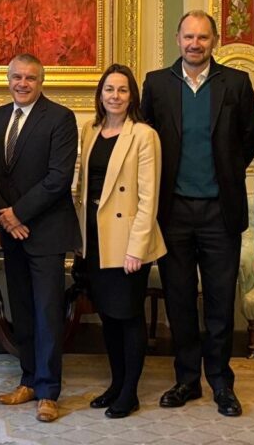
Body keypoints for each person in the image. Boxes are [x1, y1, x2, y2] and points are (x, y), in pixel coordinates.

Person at [140, 10, 254, 417]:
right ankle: (187, 380)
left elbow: (249, 138)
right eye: (188, 36)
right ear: (177, 39)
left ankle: (222, 383)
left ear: (214, 41)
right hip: (172, 211)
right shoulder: (157, 84)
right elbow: (145, 141)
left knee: (220, 301)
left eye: (203, 37)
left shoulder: (235, 83)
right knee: (179, 300)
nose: (195, 44)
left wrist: (223, 173)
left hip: (218, 212)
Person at [0, 54, 79, 423]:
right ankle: (27, 380)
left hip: (47, 231)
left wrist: (18, 213)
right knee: (21, 310)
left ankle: (49, 391)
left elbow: (59, 177)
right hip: (12, 232)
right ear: (8, 80)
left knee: (46, 313)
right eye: (17, 77)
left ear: (42, 81)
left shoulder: (60, 118)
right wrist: (4, 216)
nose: (22, 84)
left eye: (30, 78)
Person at [75, 64, 166, 419]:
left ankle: (130, 392)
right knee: (109, 317)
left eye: (122, 90)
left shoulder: (144, 135)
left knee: (128, 315)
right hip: (96, 238)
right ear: (100, 95)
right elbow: (83, 189)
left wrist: (137, 249)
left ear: (132, 96)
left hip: (127, 240)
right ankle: (115, 383)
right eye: (109, 89)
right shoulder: (90, 129)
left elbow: (148, 197)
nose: (115, 96)